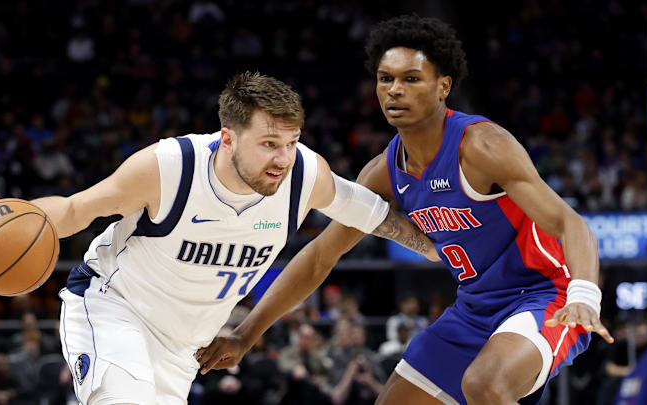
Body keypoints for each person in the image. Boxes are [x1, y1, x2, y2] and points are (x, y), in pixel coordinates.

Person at [194, 16, 615, 405]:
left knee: (485, 384)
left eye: (411, 79)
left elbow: (570, 223)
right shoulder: (383, 171)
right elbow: (322, 255)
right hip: (474, 307)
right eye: (385, 79)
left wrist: (584, 296)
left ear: (443, 86)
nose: (394, 89)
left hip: (547, 295)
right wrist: (246, 335)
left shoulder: (482, 146)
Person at [0, 71, 438, 405]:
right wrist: (1, 218)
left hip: (184, 347)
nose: (283, 158)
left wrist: (448, 250)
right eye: (269, 143)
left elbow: (376, 216)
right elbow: (76, 209)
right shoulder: (169, 167)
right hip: (115, 308)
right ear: (227, 138)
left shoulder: (305, 175)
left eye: (291, 143)